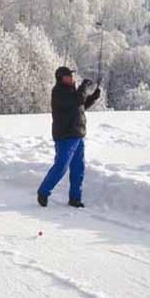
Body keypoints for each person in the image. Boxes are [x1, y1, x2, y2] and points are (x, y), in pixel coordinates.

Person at [37, 66, 101, 208]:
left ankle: (75, 199)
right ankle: (43, 191)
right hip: (65, 137)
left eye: (72, 75)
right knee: (61, 167)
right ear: (61, 78)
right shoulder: (58, 92)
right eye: (69, 76)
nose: (72, 77)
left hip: (78, 135)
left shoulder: (72, 91)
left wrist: (93, 97)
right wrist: (84, 86)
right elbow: (76, 101)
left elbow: (80, 106)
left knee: (79, 168)